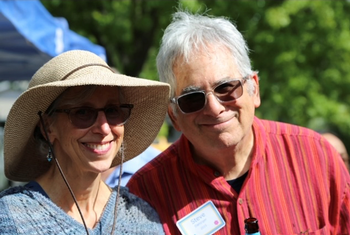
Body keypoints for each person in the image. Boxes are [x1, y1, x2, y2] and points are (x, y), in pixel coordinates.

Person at [127, 10, 350, 234]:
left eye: (226, 88)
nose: (214, 108)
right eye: (193, 99)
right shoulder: (146, 195)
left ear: (254, 89)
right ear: (174, 115)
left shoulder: (316, 157)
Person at [0, 50, 170, 234]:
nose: (104, 128)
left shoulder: (140, 218)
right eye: (83, 113)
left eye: (113, 111)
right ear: (47, 126)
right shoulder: (12, 220)